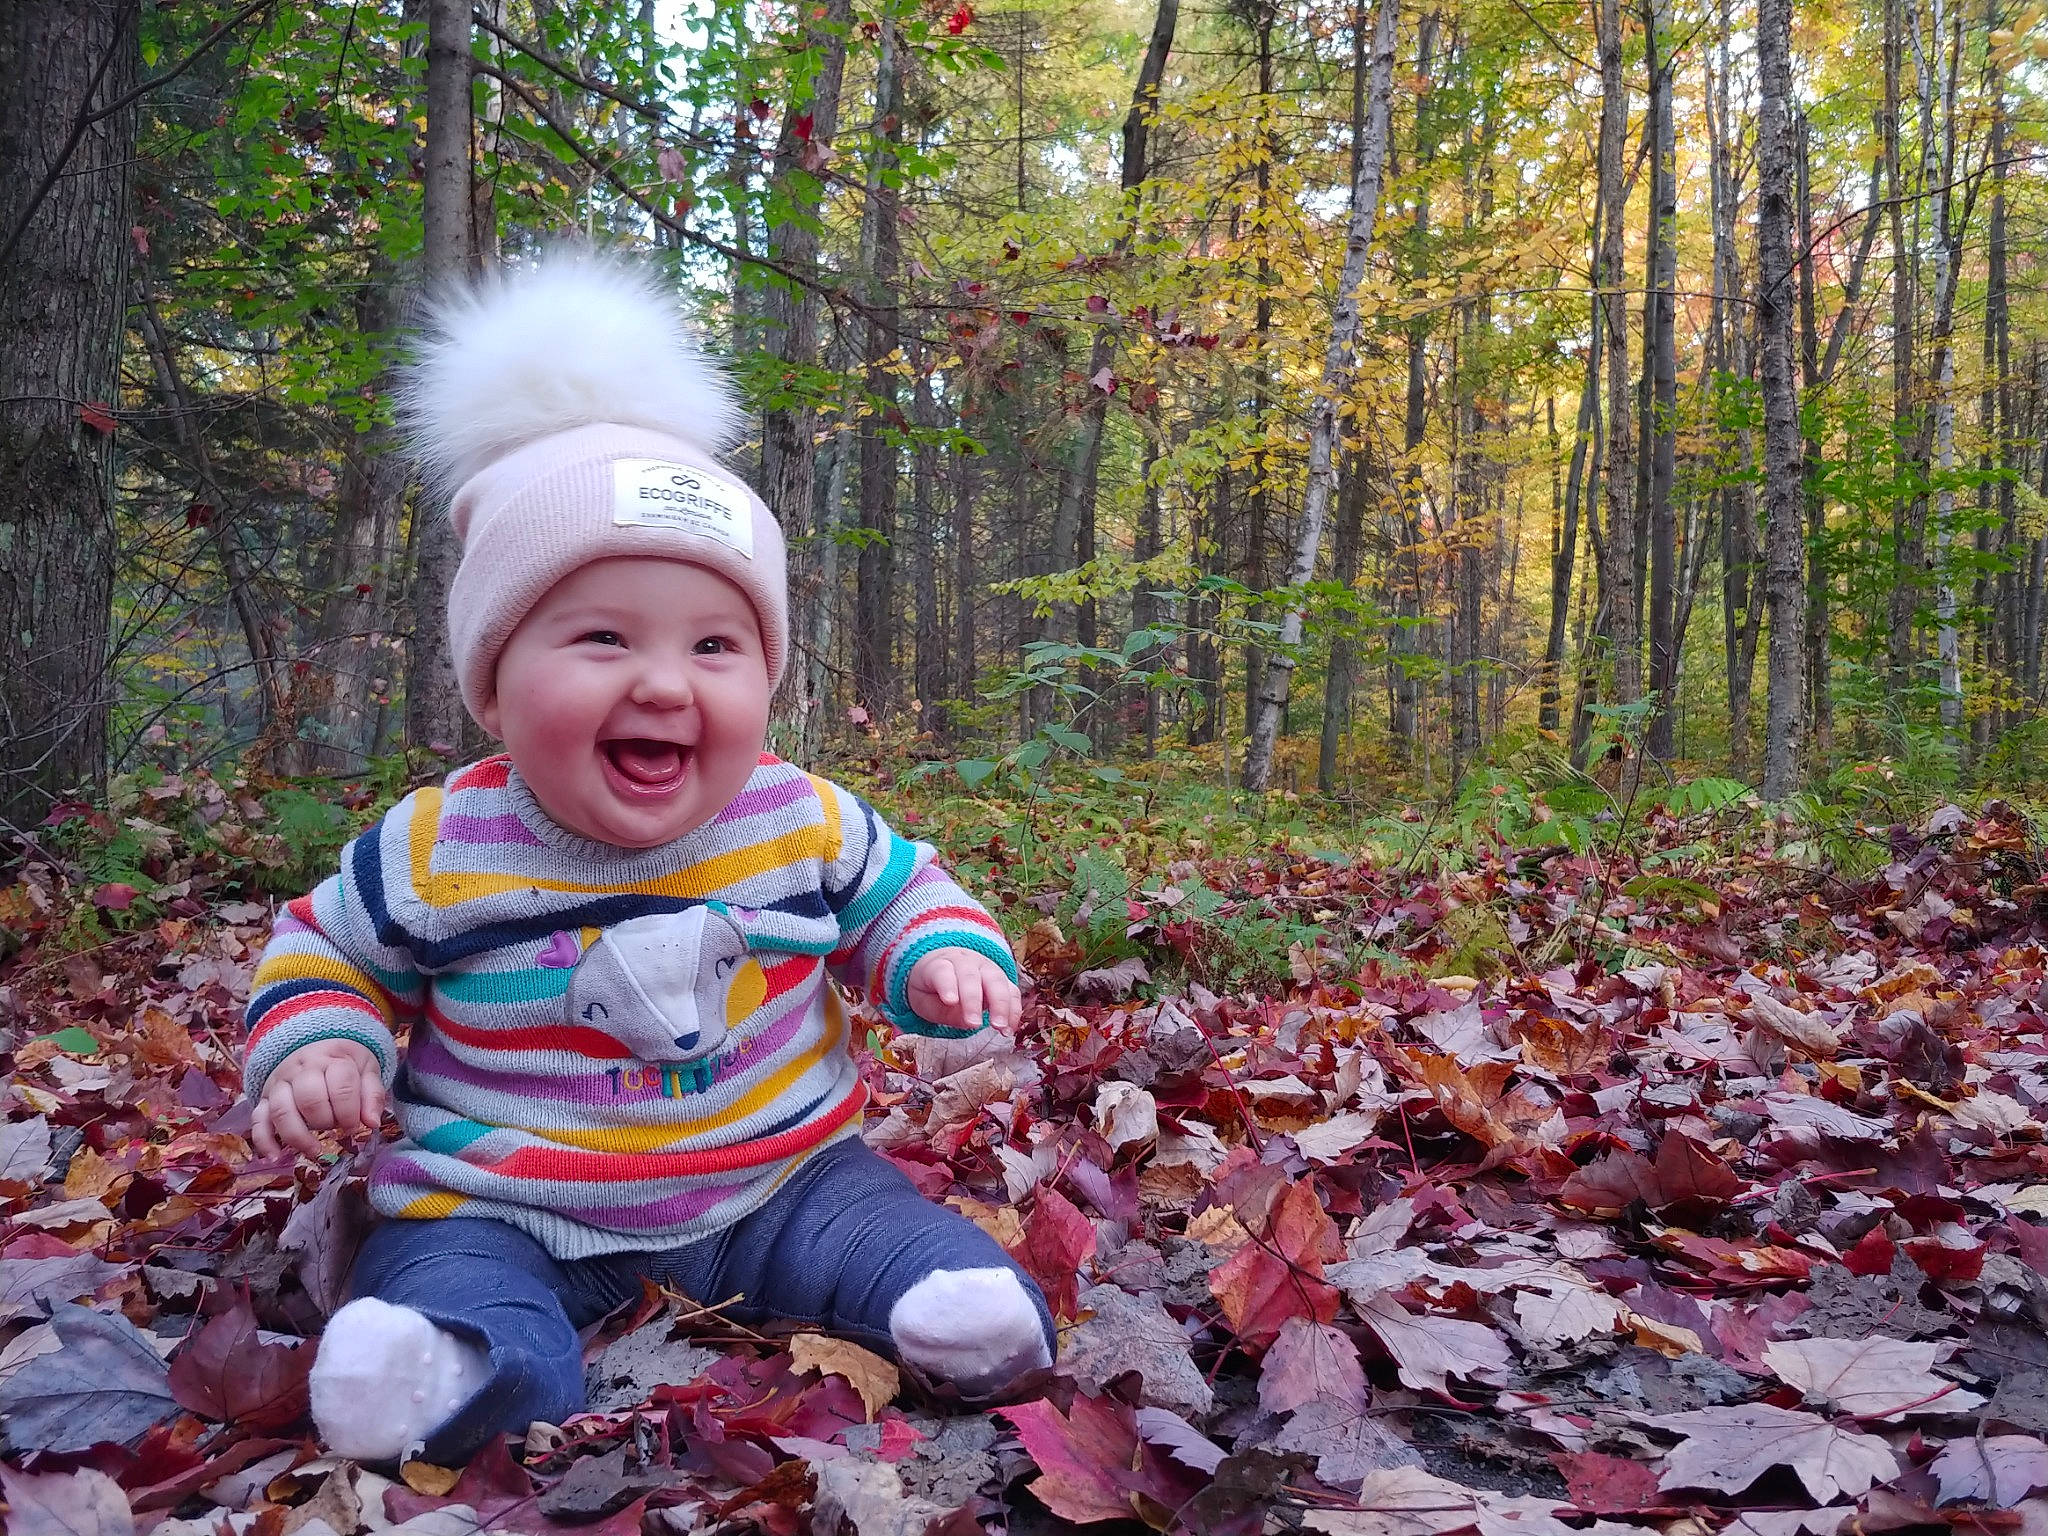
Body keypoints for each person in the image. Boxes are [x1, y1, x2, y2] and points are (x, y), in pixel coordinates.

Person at [241, 251, 1054, 1465]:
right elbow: (324, 952)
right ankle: (449, 1364)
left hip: (776, 1177)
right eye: (603, 636)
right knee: (447, 1273)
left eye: (717, 644)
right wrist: (320, 1042)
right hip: (505, 1198)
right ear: (496, 683)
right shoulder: (439, 846)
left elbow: (900, 895)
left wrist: (936, 959)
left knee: (891, 1238)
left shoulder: (797, 818)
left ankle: (945, 1311)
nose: (665, 682)